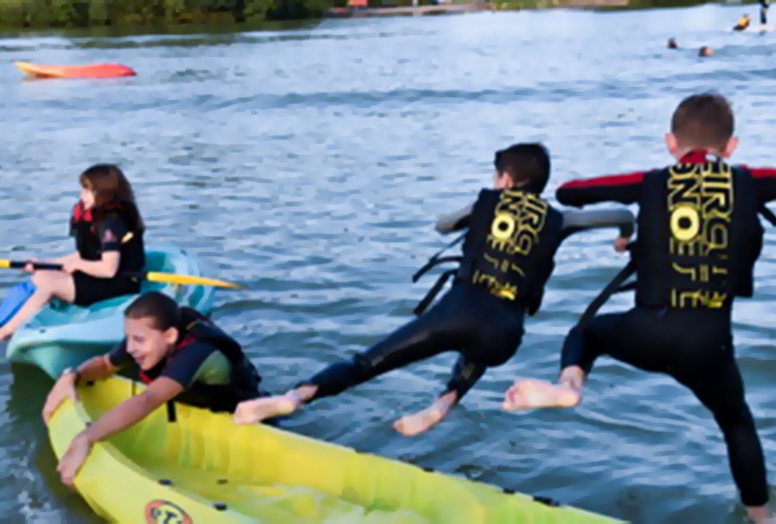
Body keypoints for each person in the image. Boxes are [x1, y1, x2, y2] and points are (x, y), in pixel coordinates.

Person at [501, 93, 776, 524]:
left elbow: (571, 193)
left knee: (585, 334)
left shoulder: (650, 182)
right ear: (732, 146)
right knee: (736, 423)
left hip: (644, 330)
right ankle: (763, 520)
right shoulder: (750, 180)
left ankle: (570, 387)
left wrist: (640, 221)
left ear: (671, 142)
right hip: (709, 346)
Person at [231, 143, 636, 436]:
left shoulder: (486, 203)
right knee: (476, 356)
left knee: (365, 364)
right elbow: (620, 213)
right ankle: (442, 405)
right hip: (505, 332)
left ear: (506, 179)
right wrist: (624, 236)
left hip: (457, 311)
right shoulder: (560, 219)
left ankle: (296, 397)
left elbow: (443, 225)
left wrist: (475, 216)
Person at [42, 291, 268, 489]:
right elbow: (105, 364)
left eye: (138, 340)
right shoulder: (148, 337)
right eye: (128, 338)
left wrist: (86, 438)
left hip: (243, 417)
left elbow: (149, 399)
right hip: (194, 407)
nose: (130, 348)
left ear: (170, 335)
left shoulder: (198, 352)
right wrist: (72, 376)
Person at [0, 164, 146, 346]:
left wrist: (77, 266)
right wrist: (45, 264)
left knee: (49, 284)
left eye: (88, 190)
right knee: (42, 276)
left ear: (104, 192)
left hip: (120, 284)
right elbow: (84, 255)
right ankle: (2, 322)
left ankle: (2, 334)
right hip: (104, 278)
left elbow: (108, 269)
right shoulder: (99, 218)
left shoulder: (111, 224)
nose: (82, 196)